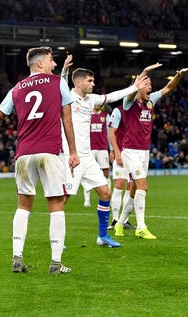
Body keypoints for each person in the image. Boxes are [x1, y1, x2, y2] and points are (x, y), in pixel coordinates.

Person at [0, 46, 79, 274]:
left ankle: (17, 257)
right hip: (49, 151)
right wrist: (74, 152)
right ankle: (56, 263)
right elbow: (67, 119)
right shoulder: (57, 83)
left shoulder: (16, 89)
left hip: (23, 154)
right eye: (51, 60)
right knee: (56, 204)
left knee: (23, 205)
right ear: (40, 64)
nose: (54, 64)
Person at [60, 62, 154, 248]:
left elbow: (112, 97)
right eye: (90, 81)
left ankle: (102, 236)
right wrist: (64, 71)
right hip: (71, 157)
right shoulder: (67, 97)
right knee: (62, 199)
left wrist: (135, 86)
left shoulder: (91, 100)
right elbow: (61, 86)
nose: (93, 84)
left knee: (105, 193)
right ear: (78, 83)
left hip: (87, 158)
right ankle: (58, 239)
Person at [114, 67, 188, 239]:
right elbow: (130, 94)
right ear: (138, 86)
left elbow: (168, 88)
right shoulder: (129, 102)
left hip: (144, 152)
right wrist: (142, 74)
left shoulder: (151, 101)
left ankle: (119, 224)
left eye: (150, 84)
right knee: (143, 185)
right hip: (130, 151)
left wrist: (178, 75)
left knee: (134, 190)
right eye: (146, 84)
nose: (150, 87)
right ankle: (141, 227)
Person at [107, 105, 136, 233]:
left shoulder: (140, 110)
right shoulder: (118, 110)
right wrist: (114, 151)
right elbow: (111, 132)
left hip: (134, 153)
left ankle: (124, 220)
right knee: (119, 184)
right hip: (121, 152)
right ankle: (115, 219)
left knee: (131, 186)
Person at [83, 105, 110, 208]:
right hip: (89, 149)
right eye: (96, 103)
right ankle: (87, 200)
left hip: (102, 149)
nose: (98, 105)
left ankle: (108, 195)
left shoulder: (105, 116)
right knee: (86, 173)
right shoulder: (87, 115)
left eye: (100, 104)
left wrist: (111, 149)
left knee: (105, 172)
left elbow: (108, 132)